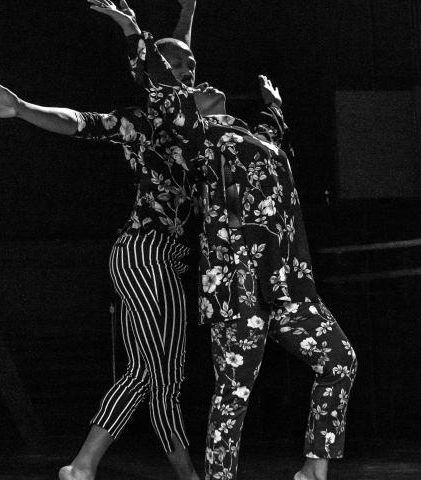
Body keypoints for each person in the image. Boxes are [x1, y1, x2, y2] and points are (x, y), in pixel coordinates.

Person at [107, 13, 358, 480]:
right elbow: (161, 85)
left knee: (340, 360)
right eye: (192, 86)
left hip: (288, 283)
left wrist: (273, 105)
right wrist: (132, 32)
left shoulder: (248, 134)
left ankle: (313, 469)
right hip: (236, 285)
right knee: (233, 394)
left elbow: (274, 141)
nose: (204, 82)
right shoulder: (193, 137)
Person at [0, 3, 202, 480]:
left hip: (165, 258)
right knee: (155, 375)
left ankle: (121, 470)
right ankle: (124, 470)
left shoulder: (191, 123)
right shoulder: (144, 122)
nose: (189, 71)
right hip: (144, 251)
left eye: (192, 66)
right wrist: (23, 109)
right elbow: (78, 121)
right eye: (178, 67)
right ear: (155, 71)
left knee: (155, 376)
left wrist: (189, 8)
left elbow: (175, 60)